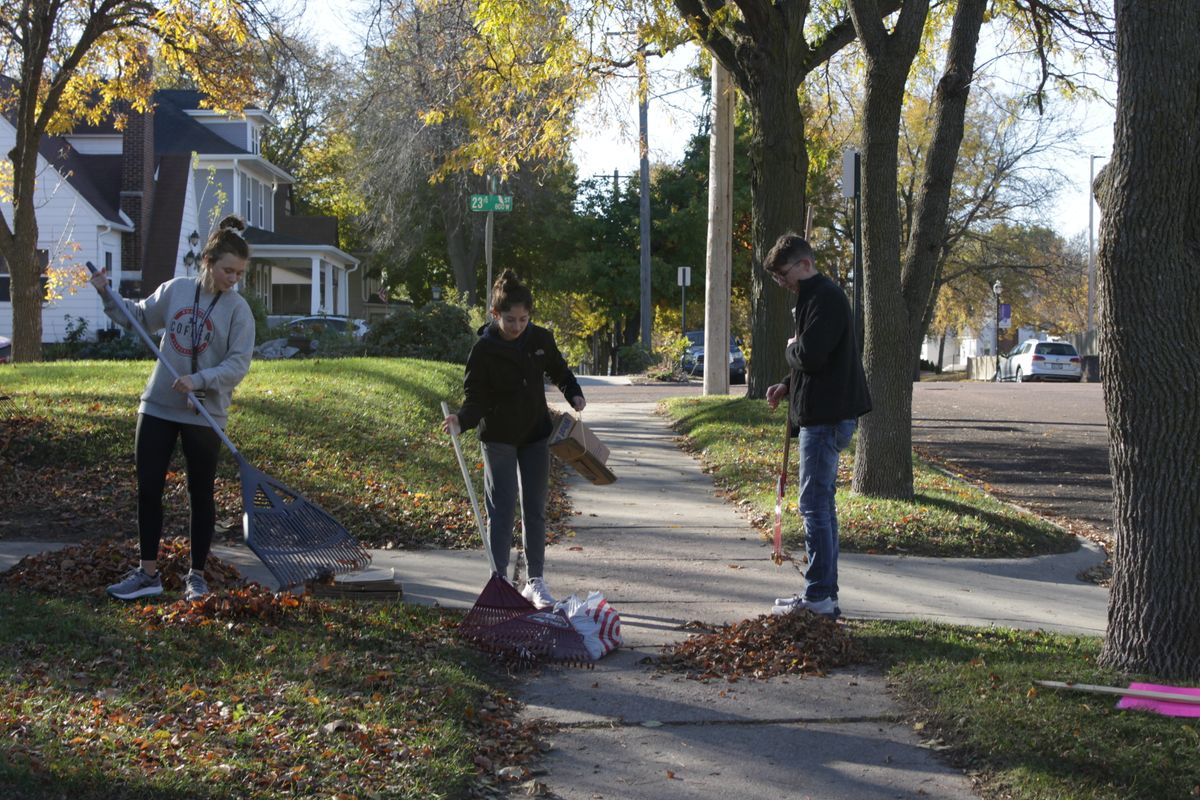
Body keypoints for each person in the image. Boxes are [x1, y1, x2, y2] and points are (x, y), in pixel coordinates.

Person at [91, 215, 256, 602]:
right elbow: (138, 317)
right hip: (159, 407)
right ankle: (147, 574)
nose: (233, 279)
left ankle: (196, 575)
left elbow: (237, 366)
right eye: (227, 270)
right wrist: (105, 292)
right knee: (149, 490)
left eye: (239, 273)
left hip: (205, 414)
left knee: (201, 495)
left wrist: (198, 381)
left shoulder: (238, 311)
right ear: (208, 262)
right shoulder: (177, 291)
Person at [442, 270, 586, 609]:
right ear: (495, 315)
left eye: (523, 319)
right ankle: (500, 583)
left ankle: (535, 581)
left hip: (535, 433)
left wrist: (574, 393)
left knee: (535, 510)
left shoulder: (540, 339)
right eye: (510, 320)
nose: (518, 326)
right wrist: (461, 420)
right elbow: (475, 397)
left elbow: (560, 370)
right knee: (502, 509)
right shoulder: (484, 350)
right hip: (499, 438)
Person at [763, 233, 871, 619]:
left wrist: (790, 347)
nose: (783, 283)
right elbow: (813, 362)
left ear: (804, 264)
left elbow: (810, 354)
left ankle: (820, 595)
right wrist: (787, 385)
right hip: (820, 412)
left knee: (813, 507)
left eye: (783, 275)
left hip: (827, 418)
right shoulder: (810, 298)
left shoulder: (825, 297)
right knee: (821, 505)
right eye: (777, 278)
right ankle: (822, 592)